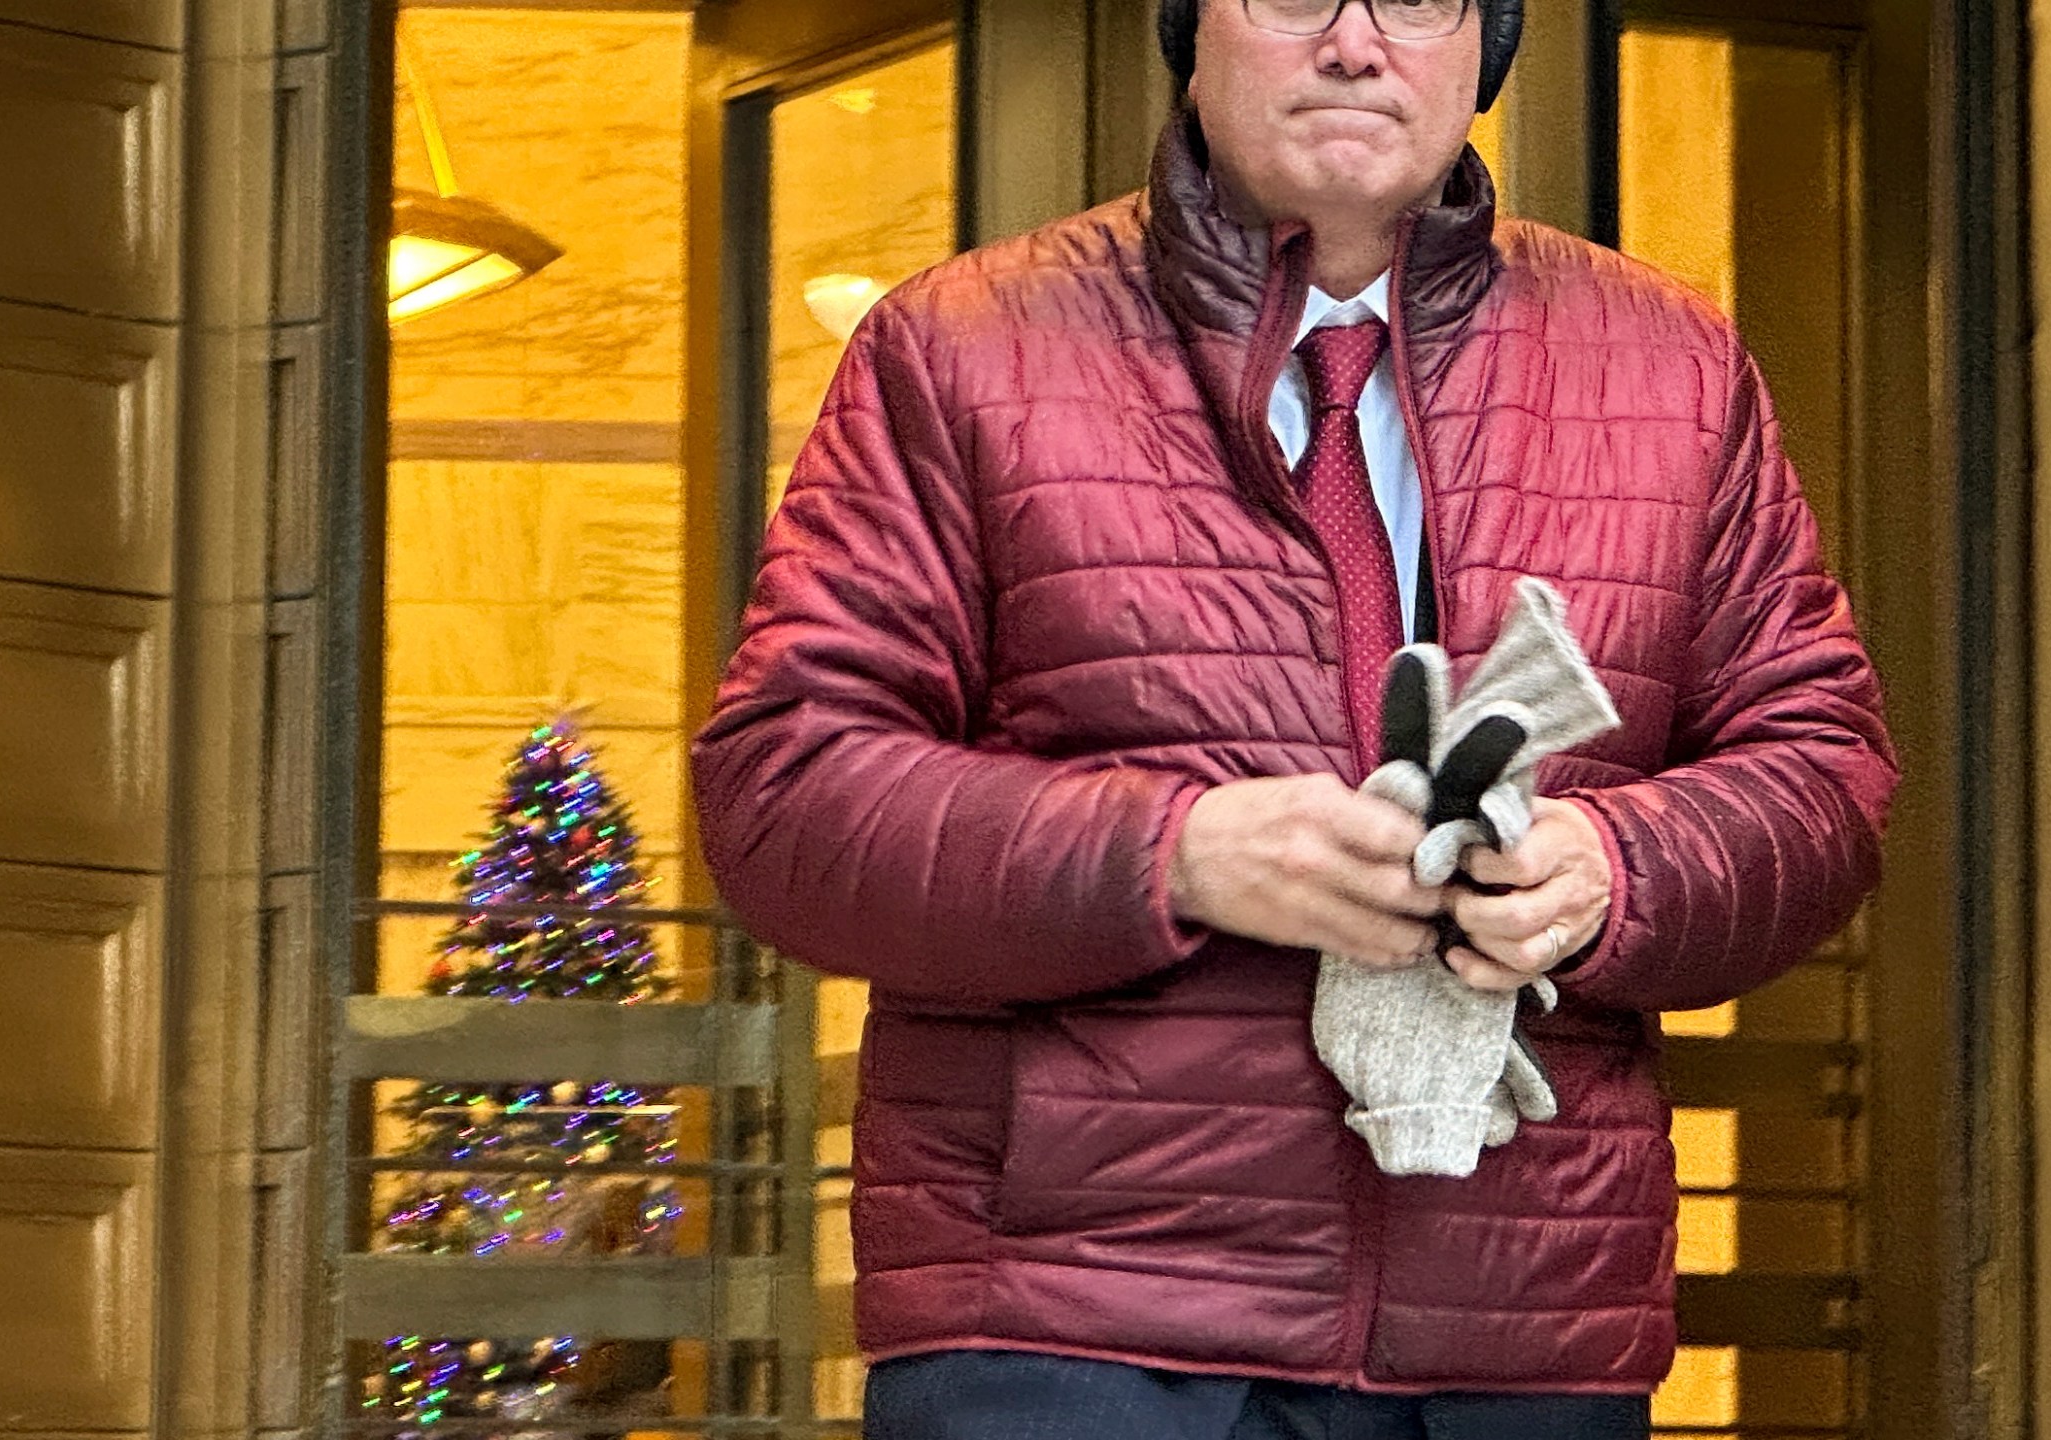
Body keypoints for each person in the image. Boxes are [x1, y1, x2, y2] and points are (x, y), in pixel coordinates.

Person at [689, 0, 1898, 1433]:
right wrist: (1176, 855)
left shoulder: (1670, 365)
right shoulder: (958, 350)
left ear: (1487, 47)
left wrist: (1613, 869)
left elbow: (1820, 772)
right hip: (1065, 1319)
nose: (1354, 43)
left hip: (1518, 1326)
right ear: (1188, 29)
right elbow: (785, 791)